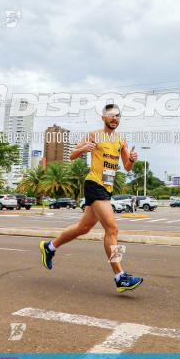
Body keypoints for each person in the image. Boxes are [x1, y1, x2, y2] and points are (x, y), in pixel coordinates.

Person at [39, 104, 143, 292]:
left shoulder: (121, 141)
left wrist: (133, 159)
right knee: (112, 228)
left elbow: (127, 167)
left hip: (107, 188)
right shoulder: (93, 135)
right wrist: (83, 149)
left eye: (118, 116)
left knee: (83, 228)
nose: (114, 119)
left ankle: (50, 246)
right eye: (111, 116)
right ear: (103, 118)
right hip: (94, 185)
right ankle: (120, 277)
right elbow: (71, 155)